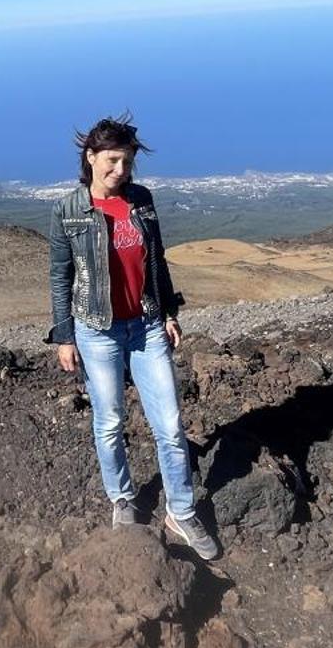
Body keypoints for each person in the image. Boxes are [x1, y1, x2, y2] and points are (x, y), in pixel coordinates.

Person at [46, 114, 220, 560]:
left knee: (170, 424)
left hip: (145, 324)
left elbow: (157, 260)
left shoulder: (141, 200)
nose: (120, 171)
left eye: (126, 162)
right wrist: (64, 337)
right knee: (109, 421)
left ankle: (180, 512)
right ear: (91, 158)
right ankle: (122, 499)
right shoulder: (68, 209)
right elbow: (60, 277)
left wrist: (168, 313)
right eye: (112, 161)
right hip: (96, 329)